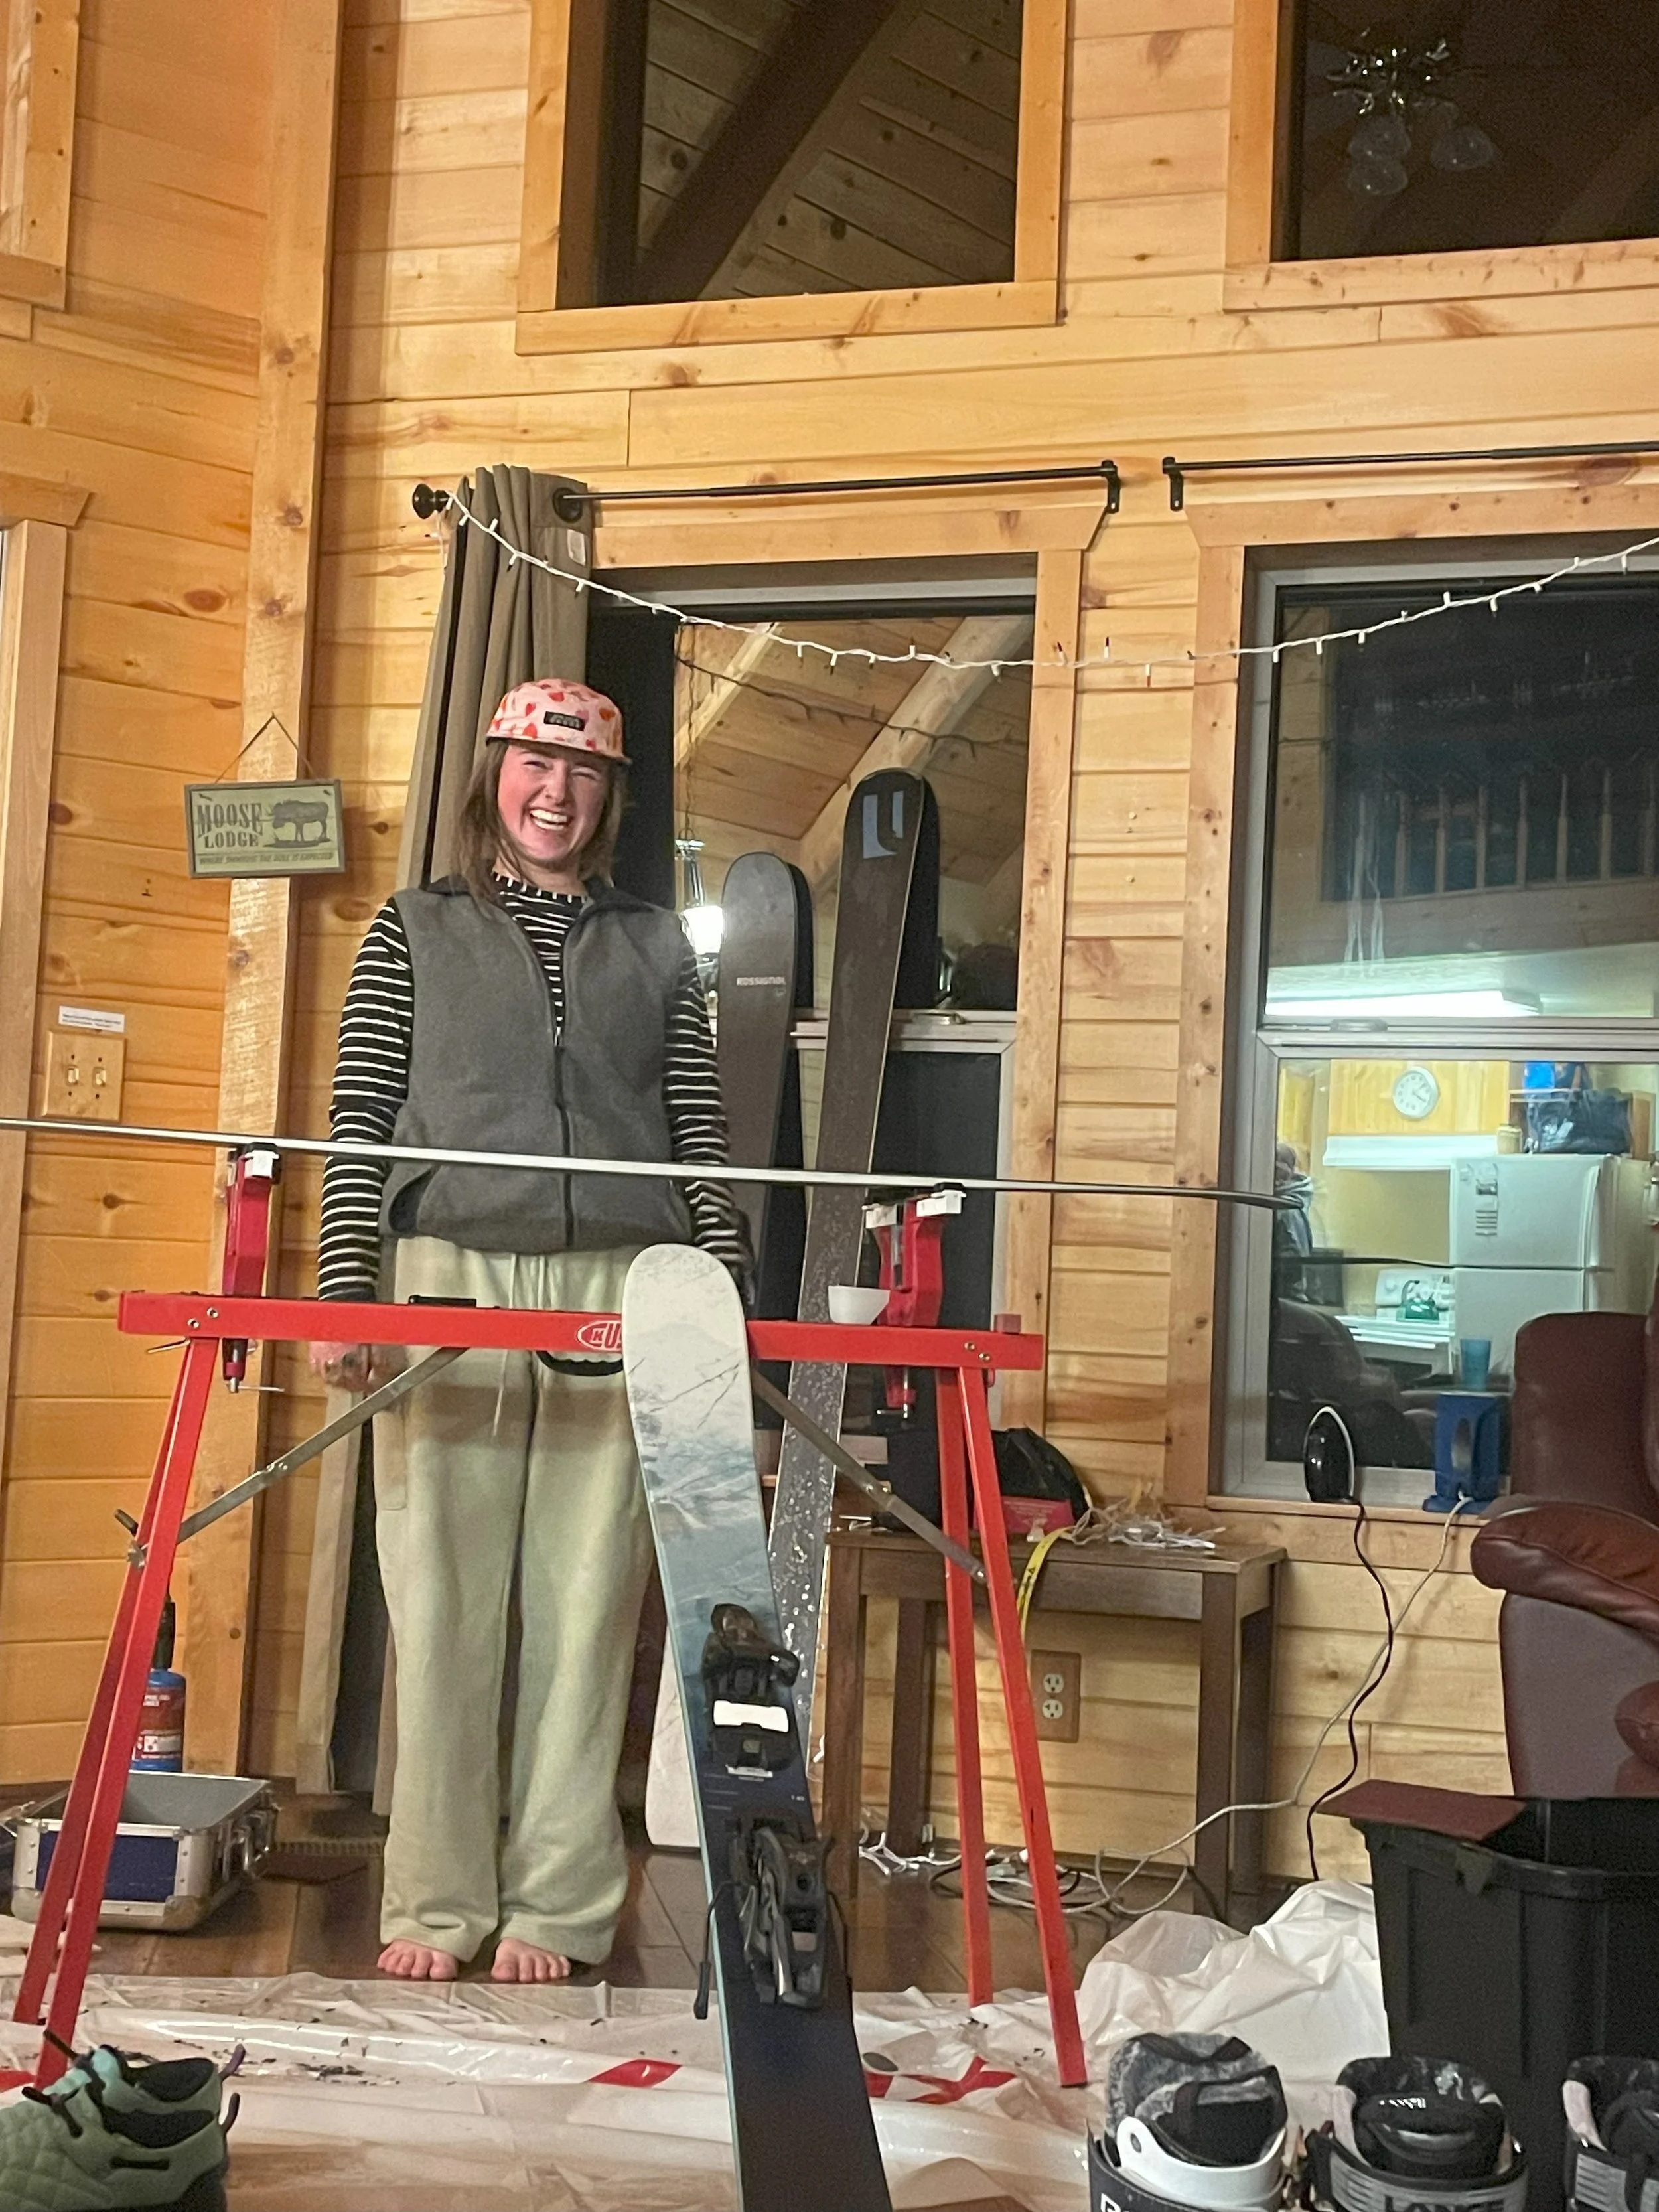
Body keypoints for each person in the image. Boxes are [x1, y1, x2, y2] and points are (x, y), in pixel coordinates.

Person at [309, 677, 748, 1984]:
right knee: (437, 1592)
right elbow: (359, 1115)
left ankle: (555, 1906)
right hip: (442, 1268)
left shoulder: (659, 946)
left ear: (608, 796)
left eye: (583, 775)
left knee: (586, 1594)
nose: (554, 794)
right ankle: (435, 1900)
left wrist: (716, 1297)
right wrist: (346, 1291)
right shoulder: (410, 928)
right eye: (531, 768)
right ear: (491, 776)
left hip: (616, 1278)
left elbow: (702, 1136)